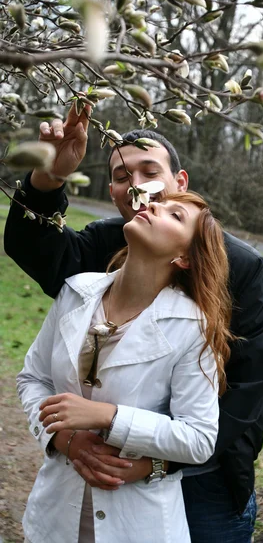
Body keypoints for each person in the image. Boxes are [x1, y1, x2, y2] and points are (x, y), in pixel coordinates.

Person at [5, 102, 263, 543]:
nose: (135, 185)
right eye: (119, 176)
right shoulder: (100, 252)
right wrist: (49, 176)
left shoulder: (240, 268)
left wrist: (156, 464)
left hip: (205, 476)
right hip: (88, 473)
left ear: (179, 183)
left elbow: (244, 390)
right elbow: (34, 249)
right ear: (112, 193)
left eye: (149, 169)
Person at [17, 191, 231, 543]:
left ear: (185, 258)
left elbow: (199, 438)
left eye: (175, 215)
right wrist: (62, 438)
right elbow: (33, 378)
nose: (153, 205)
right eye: (158, 203)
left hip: (139, 525)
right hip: (53, 517)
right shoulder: (75, 292)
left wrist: (108, 416)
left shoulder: (193, 326)